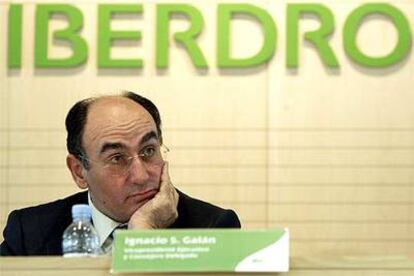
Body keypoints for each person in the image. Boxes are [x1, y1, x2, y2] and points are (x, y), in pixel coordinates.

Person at [0, 91, 241, 256]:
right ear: (79, 171)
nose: (141, 175)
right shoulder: (29, 232)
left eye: (148, 151)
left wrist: (144, 235)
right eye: (117, 158)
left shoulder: (212, 228)